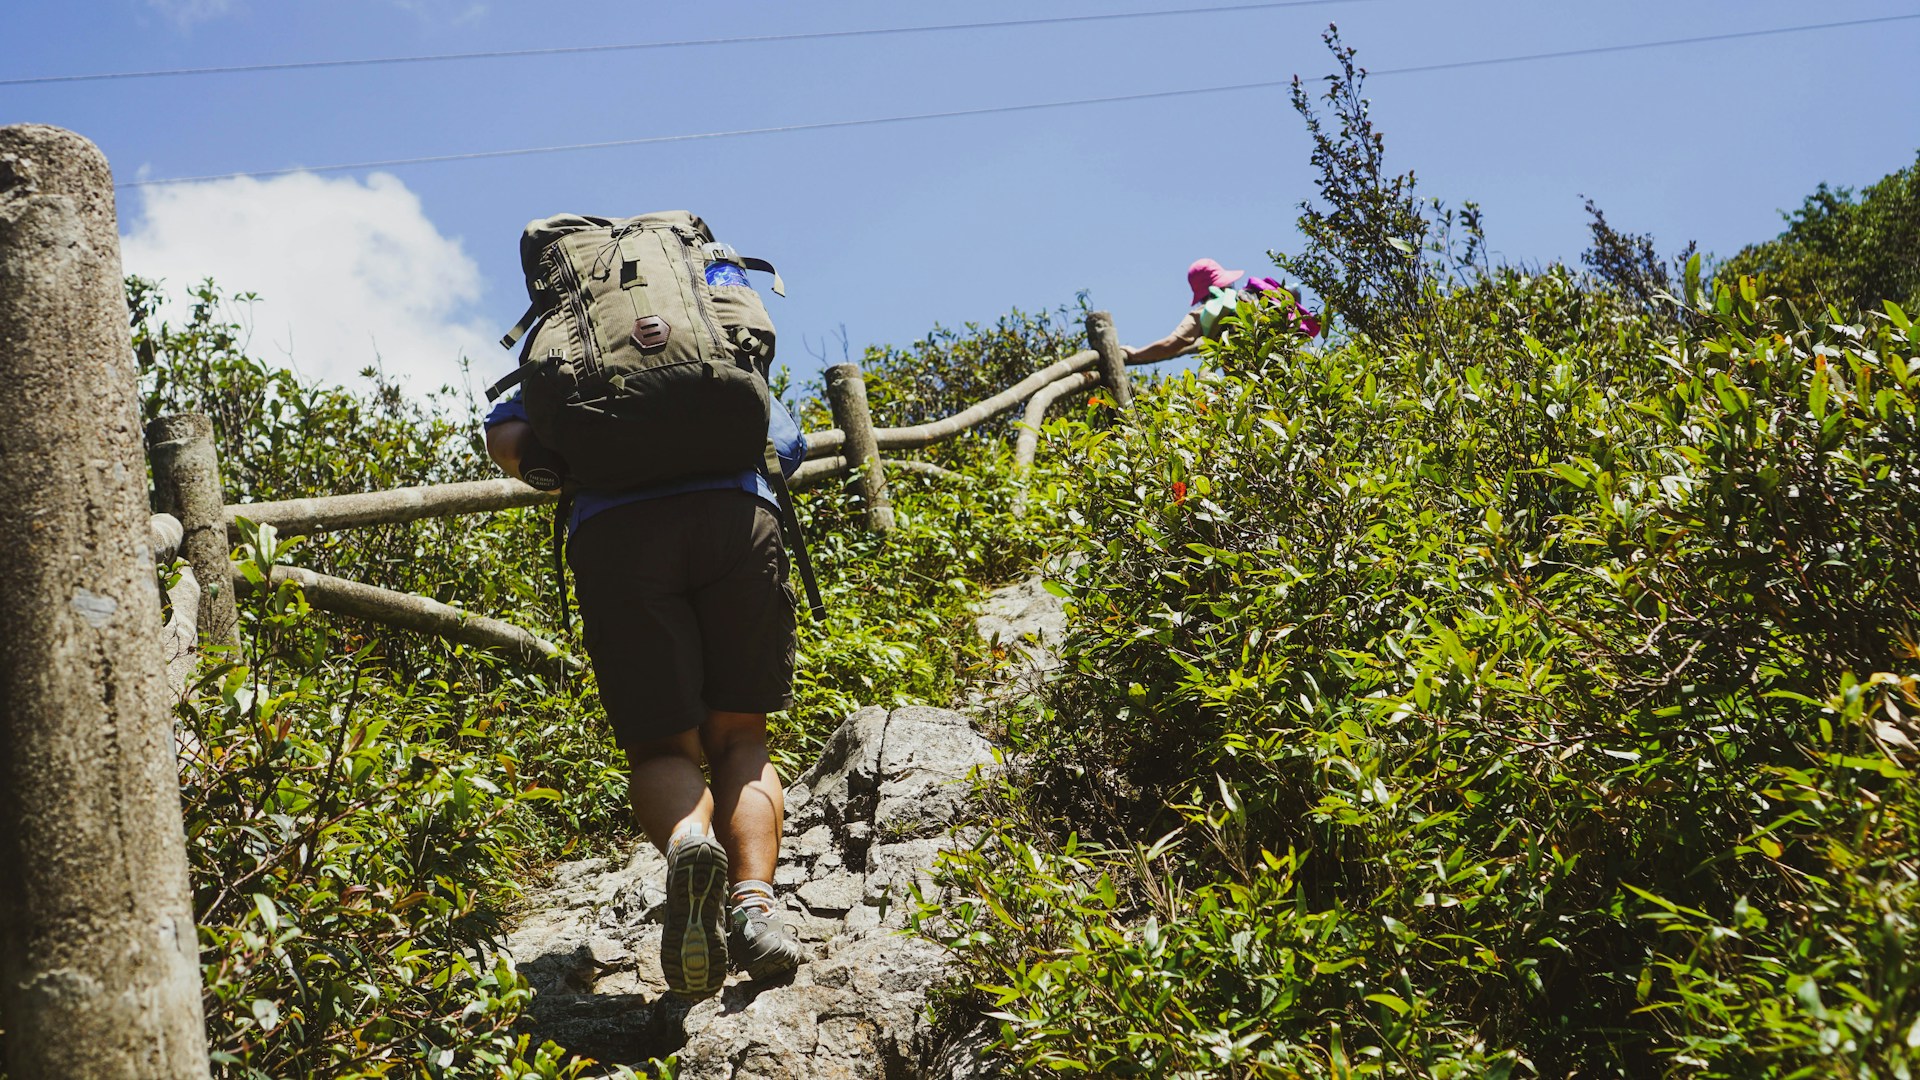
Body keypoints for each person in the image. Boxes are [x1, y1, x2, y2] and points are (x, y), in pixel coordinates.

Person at [484, 389, 810, 999]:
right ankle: (755, 912)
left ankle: (690, 844)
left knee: (662, 749)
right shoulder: (715, 296)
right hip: (736, 518)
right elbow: (786, 441)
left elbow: (505, 437)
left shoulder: (567, 308)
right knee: (742, 735)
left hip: (618, 533)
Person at [1126, 258, 1320, 364]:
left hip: (1252, 382)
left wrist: (1135, 353)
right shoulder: (1254, 297)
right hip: (1292, 368)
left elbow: (1172, 343)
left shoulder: (1206, 311)